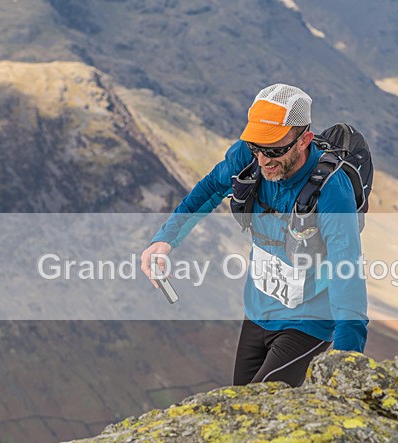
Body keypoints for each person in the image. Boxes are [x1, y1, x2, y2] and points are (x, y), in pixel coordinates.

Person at [141, 83, 368, 387]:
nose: (263, 161)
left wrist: (347, 363)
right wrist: (165, 239)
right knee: (241, 406)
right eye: (256, 148)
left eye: (275, 149)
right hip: (258, 310)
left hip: (309, 322)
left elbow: (347, 273)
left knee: (256, 406)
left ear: (304, 141)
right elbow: (209, 188)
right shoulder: (246, 158)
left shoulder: (332, 192)